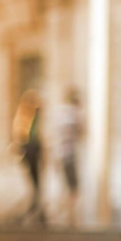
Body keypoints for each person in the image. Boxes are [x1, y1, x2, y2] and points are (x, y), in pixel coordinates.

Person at [12, 88, 46, 226]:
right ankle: (35, 211)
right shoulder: (26, 116)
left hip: (32, 151)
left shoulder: (31, 116)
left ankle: (37, 211)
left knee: (36, 185)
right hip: (30, 151)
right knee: (34, 184)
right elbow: (22, 136)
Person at [53, 86, 84, 227]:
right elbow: (81, 131)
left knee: (65, 186)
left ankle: (66, 215)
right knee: (73, 188)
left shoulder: (59, 113)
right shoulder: (73, 114)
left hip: (59, 154)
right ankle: (70, 217)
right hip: (69, 155)